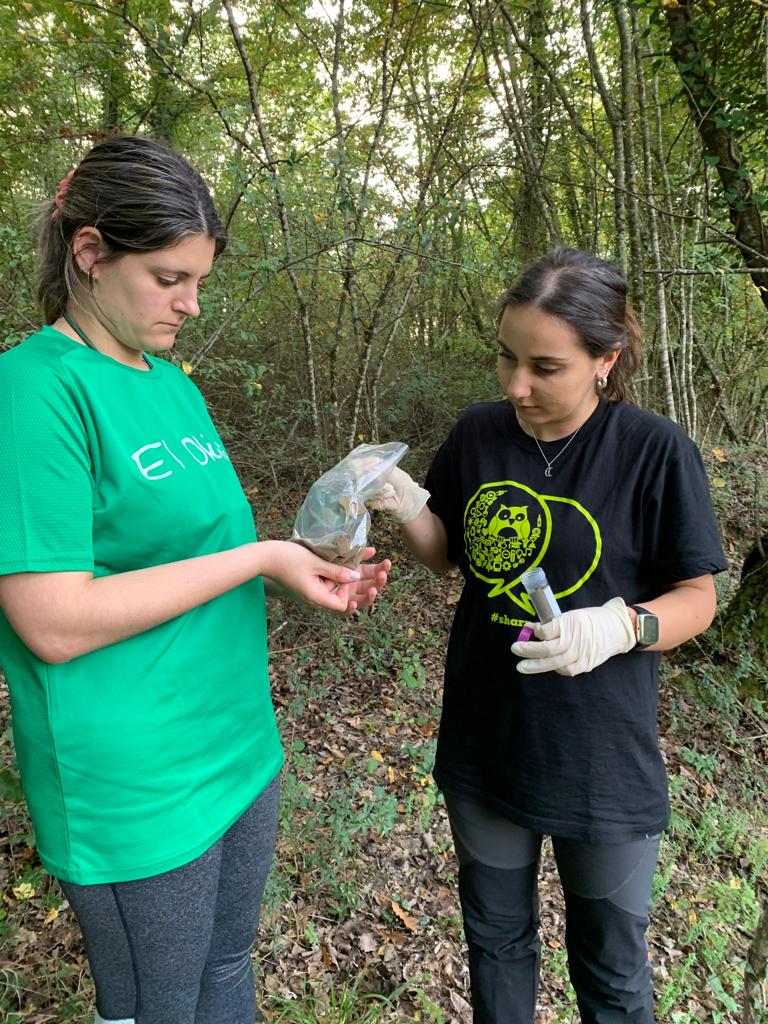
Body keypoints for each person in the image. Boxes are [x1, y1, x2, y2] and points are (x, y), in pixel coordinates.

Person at [0, 135, 389, 1024]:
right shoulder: (33, 390)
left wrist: (309, 559)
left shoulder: (171, 384)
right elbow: (51, 619)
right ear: (90, 254)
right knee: (158, 1006)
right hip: (136, 777)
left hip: (237, 742)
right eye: (170, 277)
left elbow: (193, 550)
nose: (192, 303)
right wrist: (262, 559)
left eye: (200, 280)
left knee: (227, 972)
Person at [370, 247, 728, 1023]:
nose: (516, 386)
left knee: (612, 971)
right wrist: (406, 504)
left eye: (545, 366)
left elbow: (700, 598)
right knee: (496, 948)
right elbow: (448, 557)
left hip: (601, 760)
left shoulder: (654, 451)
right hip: (486, 740)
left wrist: (624, 625)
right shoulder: (479, 434)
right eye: (505, 357)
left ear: (606, 360)